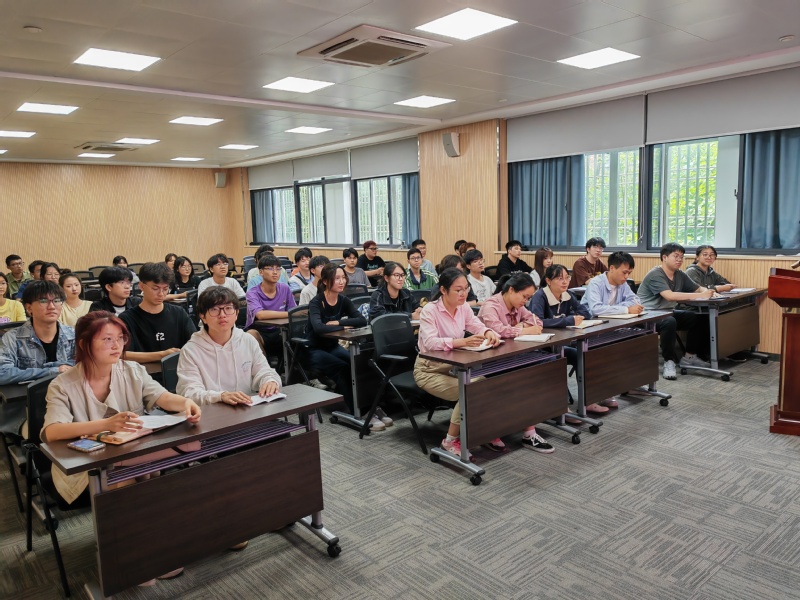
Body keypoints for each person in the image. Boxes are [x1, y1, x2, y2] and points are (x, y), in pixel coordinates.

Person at [41, 311, 201, 511]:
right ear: (83, 344)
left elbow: (162, 396)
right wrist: (106, 424)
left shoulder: (133, 370)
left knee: (150, 476)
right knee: (126, 482)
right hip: (85, 464)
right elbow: (52, 431)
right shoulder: (62, 385)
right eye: (107, 339)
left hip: (131, 454)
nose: (117, 345)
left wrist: (185, 402)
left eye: (120, 338)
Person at [414, 268, 501, 458]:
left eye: (466, 288)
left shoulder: (463, 307)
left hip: (454, 366)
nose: (464, 294)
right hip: (429, 370)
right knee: (470, 389)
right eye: (458, 290)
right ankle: (449, 441)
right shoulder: (430, 310)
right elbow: (430, 343)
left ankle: (480, 432)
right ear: (443, 290)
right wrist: (461, 342)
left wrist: (488, 332)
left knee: (485, 384)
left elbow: (475, 324)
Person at [477, 272, 553, 453]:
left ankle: (529, 430)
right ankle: (493, 429)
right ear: (511, 290)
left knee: (544, 365)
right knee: (520, 377)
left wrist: (522, 326)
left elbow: (537, 321)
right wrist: (523, 330)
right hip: (487, 360)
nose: (526, 301)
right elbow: (498, 331)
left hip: (510, 356)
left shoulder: (518, 306)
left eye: (529, 298)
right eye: (524, 296)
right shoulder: (491, 306)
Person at [177, 286, 282, 406]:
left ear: (236, 313)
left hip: (247, 409)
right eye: (214, 309)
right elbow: (189, 392)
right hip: (210, 413)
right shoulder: (191, 350)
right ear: (203, 317)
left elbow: (263, 371)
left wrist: (270, 381)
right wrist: (220, 396)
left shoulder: (247, 340)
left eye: (228, 308)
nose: (222, 315)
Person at [529, 264, 608, 414]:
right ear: (548, 281)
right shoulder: (540, 296)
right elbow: (538, 322)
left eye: (567, 277)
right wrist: (568, 320)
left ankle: (588, 401)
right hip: (541, 347)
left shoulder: (567, 295)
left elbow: (585, 312)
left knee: (582, 355)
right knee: (556, 362)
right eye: (560, 278)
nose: (565, 282)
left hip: (560, 343)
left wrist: (575, 316)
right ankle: (561, 408)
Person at [637, 243, 714, 380]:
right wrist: (701, 295)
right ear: (664, 257)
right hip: (648, 314)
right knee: (669, 321)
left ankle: (689, 357)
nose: (679, 259)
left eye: (682, 257)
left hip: (667, 312)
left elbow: (698, 288)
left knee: (700, 317)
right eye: (676, 256)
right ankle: (669, 361)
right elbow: (670, 296)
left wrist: (708, 292)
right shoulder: (656, 274)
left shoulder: (679, 274)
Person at [305, 264, 368, 423]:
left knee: (358, 363)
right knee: (343, 368)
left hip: (332, 346)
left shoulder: (343, 300)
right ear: (325, 281)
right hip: (314, 349)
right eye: (337, 278)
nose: (342, 281)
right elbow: (319, 328)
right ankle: (356, 411)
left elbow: (361, 320)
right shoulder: (316, 302)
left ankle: (359, 402)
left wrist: (339, 322)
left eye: (343, 278)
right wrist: (344, 326)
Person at [0, 281, 75, 384]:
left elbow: (86, 364)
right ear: (29, 308)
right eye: (43, 301)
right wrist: (51, 370)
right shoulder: (12, 338)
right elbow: (2, 372)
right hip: (27, 394)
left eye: (57, 300)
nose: (52, 306)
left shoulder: (73, 334)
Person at [120, 262, 196, 364]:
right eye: (155, 288)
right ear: (141, 286)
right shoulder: (127, 318)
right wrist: (161, 355)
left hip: (177, 370)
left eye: (165, 289)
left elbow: (195, 343)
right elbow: (122, 354)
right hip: (141, 371)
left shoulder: (179, 313)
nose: (161, 294)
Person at [245, 254, 296, 360]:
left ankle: (291, 368)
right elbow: (260, 314)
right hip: (261, 331)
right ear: (261, 272)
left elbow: (294, 311)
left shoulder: (285, 288)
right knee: (250, 335)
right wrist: (288, 314)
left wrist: (291, 313)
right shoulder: (252, 293)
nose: (275, 272)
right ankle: (264, 367)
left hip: (281, 330)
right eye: (270, 268)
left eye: (278, 268)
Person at [581, 251, 644, 317]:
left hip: (614, 320)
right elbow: (596, 309)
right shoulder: (596, 283)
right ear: (612, 268)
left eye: (629, 273)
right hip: (592, 321)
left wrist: (613, 309)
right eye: (624, 272)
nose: (626, 276)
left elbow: (636, 301)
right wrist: (626, 309)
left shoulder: (623, 283)